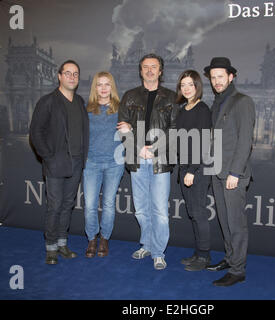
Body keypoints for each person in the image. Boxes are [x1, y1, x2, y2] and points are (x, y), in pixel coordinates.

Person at [117, 53, 178, 270]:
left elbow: (175, 130)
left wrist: (155, 148)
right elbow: (123, 127)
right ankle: (147, 244)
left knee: (160, 210)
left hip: (160, 161)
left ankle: (159, 252)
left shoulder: (172, 97)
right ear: (140, 71)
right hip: (136, 160)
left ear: (160, 71)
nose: (150, 70)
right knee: (141, 209)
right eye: (146, 67)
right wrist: (138, 148)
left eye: (154, 67)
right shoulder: (130, 96)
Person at [29, 60, 89, 265]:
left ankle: (63, 243)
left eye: (76, 74)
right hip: (56, 163)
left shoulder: (80, 101)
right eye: (68, 73)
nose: (72, 77)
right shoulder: (47, 101)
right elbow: (36, 132)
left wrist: (82, 158)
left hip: (76, 162)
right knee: (54, 206)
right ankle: (51, 248)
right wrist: (48, 156)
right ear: (59, 76)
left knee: (67, 205)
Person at [204, 57, 255, 286]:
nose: (216, 81)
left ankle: (238, 270)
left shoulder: (242, 101)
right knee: (224, 222)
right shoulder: (218, 102)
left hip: (233, 174)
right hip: (217, 172)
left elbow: (245, 140)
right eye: (213, 78)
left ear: (231, 76)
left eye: (220, 77)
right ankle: (229, 258)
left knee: (236, 223)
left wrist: (235, 172)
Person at [83, 71, 124, 258]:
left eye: (107, 84)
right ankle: (92, 238)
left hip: (114, 164)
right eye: (99, 84)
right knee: (90, 204)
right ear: (95, 87)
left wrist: (129, 129)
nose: (103, 88)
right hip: (91, 164)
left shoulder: (121, 109)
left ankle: (105, 238)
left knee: (108, 204)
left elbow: (130, 135)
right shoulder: (87, 110)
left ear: (112, 87)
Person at [175, 70, 212, 271]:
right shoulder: (183, 109)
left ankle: (205, 256)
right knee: (192, 212)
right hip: (185, 168)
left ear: (198, 86)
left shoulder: (203, 110)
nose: (187, 88)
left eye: (190, 84)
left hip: (197, 169)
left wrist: (192, 170)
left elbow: (203, 143)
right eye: (183, 85)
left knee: (199, 213)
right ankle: (198, 253)